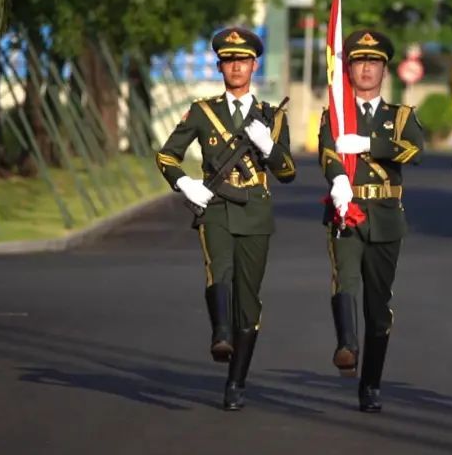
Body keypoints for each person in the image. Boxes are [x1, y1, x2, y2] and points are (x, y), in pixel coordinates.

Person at [155, 27, 296, 411]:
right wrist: (185, 183)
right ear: (219, 66)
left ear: (254, 65)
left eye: (243, 60)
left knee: (248, 299)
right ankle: (220, 334)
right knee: (219, 269)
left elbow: (287, 172)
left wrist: (268, 145)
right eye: (229, 60)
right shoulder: (203, 112)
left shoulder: (271, 116)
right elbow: (167, 155)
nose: (236, 66)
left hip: (256, 210)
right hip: (215, 205)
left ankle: (236, 381)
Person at [318, 29, 425, 412]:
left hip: (385, 216)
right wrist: (338, 180)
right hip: (346, 208)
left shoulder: (400, 116)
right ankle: (347, 345)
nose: (366, 68)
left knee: (379, 306)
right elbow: (327, 153)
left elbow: (414, 151)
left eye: (374, 62)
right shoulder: (335, 114)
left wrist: (369, 144)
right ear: (348, 69)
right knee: (344, 279)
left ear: (385, 70)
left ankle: (371, 382)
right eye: (359, 61)